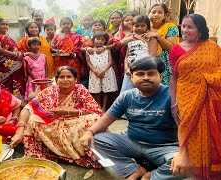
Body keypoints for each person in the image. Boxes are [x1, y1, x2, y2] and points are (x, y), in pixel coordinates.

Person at [80, 57, 187, 180]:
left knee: (191, 163)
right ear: (132, 77)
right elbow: (108, 117)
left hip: (164, 146)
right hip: (131, 142)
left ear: (160, 76)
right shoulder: (126, 96)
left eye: (151, 74)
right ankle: (134, 170)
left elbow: (187, 127)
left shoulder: (174, 96)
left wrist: (183, 153)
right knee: (96, 139)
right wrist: (90, 131)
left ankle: (152, 176)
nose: (146, 77)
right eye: (140, 74)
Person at [10, 66, 103, 168]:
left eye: (69, 77)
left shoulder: (80, 90)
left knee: (94, 119)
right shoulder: (50, 91)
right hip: (52, 125)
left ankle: (89, 153)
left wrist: (68, 112)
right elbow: (27, 109)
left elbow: (95, 110)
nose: (65, 80)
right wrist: (19, 131)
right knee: (33, 120)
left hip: (74, 122)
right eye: (62, 77)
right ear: (56, 80)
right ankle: (47, 152)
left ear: (75, 80)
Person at [169, 14, 221, 179]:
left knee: (213, 135)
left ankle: (214, 171)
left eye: (189, 27)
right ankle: (196, 173)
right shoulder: (176, 49)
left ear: (200, 30)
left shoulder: (212, 47)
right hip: (186, 98)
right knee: (190, 135)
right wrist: (173, 103)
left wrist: (209, 79)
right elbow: (173, 78)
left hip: (211, 99)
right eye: (183, 26)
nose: (184, 30)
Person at [0, 18, 26, 103]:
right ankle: (6, 105)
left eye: (6, 24)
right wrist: (16, 55)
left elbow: (16, 48)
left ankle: (18, 105)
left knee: (17, 86)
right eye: (2, 24)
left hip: (17, 68)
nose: (5, 26)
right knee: (6, 87)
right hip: (3, 69)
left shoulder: (9, 37)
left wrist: (20, 53)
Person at [143, 3, 179, 85]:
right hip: (147, 63)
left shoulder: (171, 27)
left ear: (165, 15)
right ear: (149, 14)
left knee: (165, 91)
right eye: (153, 12)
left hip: (166, 64)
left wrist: (157, 36)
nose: (156, 14)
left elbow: (171, 47)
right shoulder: (145, 29)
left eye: (160, 12)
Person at [121, 15, 157, 92]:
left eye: (142, 26)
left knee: (143, 94)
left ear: (147, 27)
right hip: (130, 72)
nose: (139, 28)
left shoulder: (151, 38)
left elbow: (152, 56)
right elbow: (127, 56)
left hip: (144, 72)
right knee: (125, 94)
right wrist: (126, 68)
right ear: (132, 26)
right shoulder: (131, 38)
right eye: (136, 25)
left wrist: (145, 70)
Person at [86, 31, 117, 113]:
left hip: (106, 73)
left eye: (102, 40)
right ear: (93, 40)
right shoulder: (89, 51)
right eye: (98, 39)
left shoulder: (107, 50)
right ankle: (99, 106)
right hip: (94, 74)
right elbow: (88, 63)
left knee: (105, 90)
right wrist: (95, 71)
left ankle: (104, 107)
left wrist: (103, 71)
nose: (100, 41)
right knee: (97, 91)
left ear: (105, 41)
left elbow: (110, 62)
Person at [51, 17, 84, 82]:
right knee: (61, 79)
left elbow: (81, 48)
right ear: (60, 26)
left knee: (73, 79)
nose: (65, 25)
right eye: (63, 24)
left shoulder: (77, 36)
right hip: (60, 62)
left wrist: (74, 54)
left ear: (71, 25)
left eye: (67, 23)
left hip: (73, 62)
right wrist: (58, 51)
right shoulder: (56, 37)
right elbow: (52, 48)